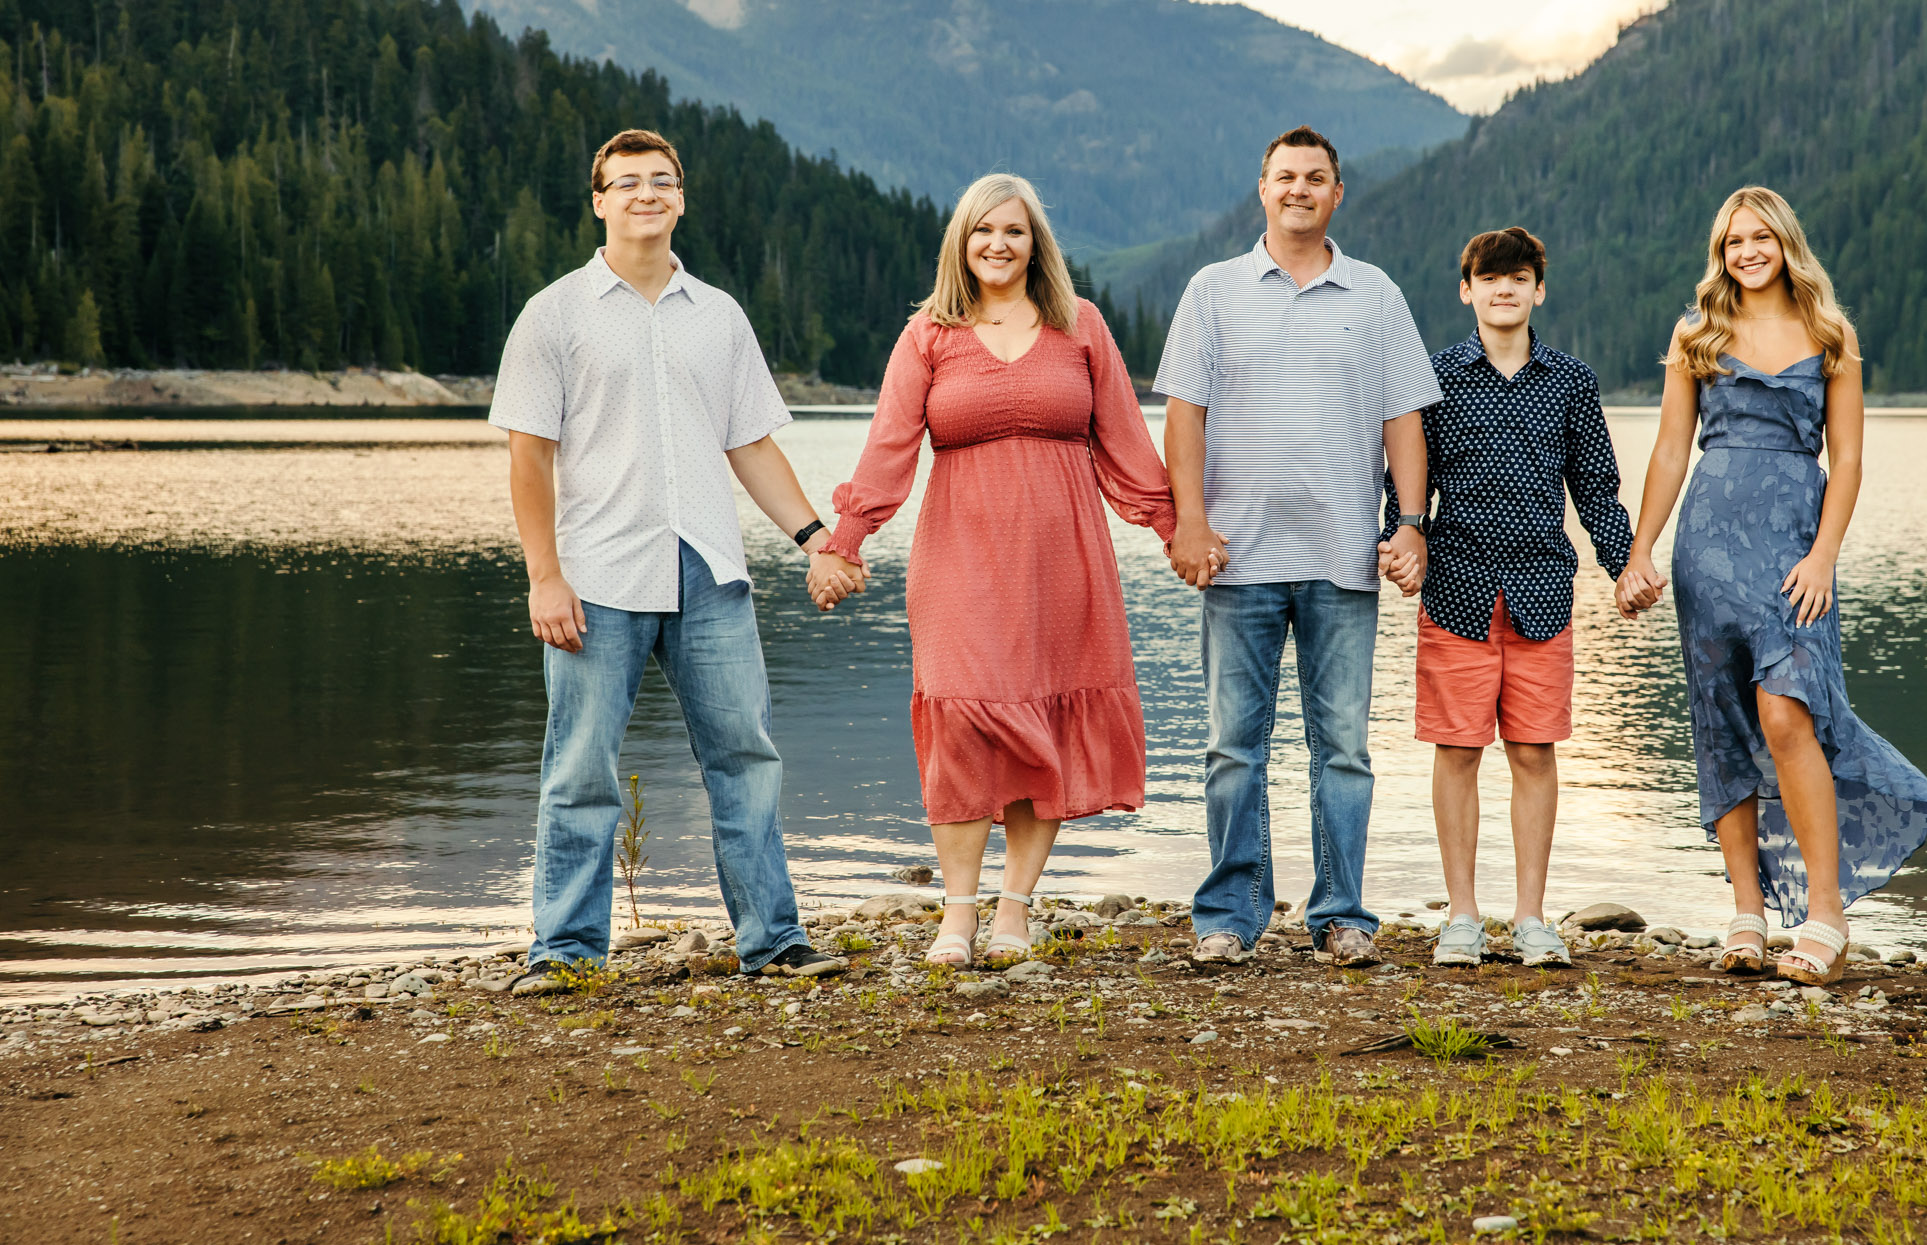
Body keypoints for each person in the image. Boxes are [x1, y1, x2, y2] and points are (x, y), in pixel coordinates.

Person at [490, 127, 852, 991]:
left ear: (681, 197)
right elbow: (527, 456)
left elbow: (752, 447)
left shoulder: (718, 314)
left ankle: (774, 941)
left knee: (746, 758)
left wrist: (814, 538)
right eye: (627, 183)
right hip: (596, 576)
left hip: (710, 573)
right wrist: (545, 574)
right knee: (580, 770)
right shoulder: (555, 313)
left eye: (661, 181)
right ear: (599, 201)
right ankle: (565, 953)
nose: (645, 194)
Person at [814, 173, 1181, 968]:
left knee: (1041, 719)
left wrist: (1173, 529)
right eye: (983, 231)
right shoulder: (930, 335)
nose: (997, 244)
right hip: (959, 556)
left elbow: (1125, 440)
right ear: (961, 243)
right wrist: (845, 539)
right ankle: (956, 913)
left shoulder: (1081, 325)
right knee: (961, 719)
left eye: (1013, 231)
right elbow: (886, 448)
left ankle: (1014, 906)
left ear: (1035, 242)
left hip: (1063, 557)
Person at [1615, 186, 1927, 986]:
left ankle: (1826, 913)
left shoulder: (1831, 333)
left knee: (1787, 711)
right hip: (1707, 552)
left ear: (1786, 243)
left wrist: (1825, 554)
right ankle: (1745, 912)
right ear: (1719, 252)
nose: (1747, 251)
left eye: (1761, 236)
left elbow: (1850, 459)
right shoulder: (1697, 332)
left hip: (1795, 551)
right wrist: (1641, 550)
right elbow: (1669, 451)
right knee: (1724, 718)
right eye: (1733, 240)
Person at [1153, 125, 1442, 968]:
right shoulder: (1213, 290)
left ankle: (1341, 913)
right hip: (1235, 558)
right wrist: (1190, 520)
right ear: (1263, 187)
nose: (1299, 189)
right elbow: (1184, 416)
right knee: (1232, 747)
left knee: (1342, 750)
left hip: (1343, 556)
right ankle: (1230, 915)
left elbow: (1404, 421)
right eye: (1286, 177)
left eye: (1316, 178)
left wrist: (1410, 524)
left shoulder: (1376, 294)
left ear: (1337, 193)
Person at [1379, 227, 1631, 970]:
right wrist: (1401, 535)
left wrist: (1626, 566)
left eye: (1519, 277)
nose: (1504, 289)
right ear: (1467, 290)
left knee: (1532, 750)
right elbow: (1401, 478)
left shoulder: (1571, 381)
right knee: (1457, 750)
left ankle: (1530, 916)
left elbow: (1597, 489)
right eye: (1489, 278)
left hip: (1543, 589)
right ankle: (1461, 916)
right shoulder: (1434, 377)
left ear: (1538, 290)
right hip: (1454, 589)